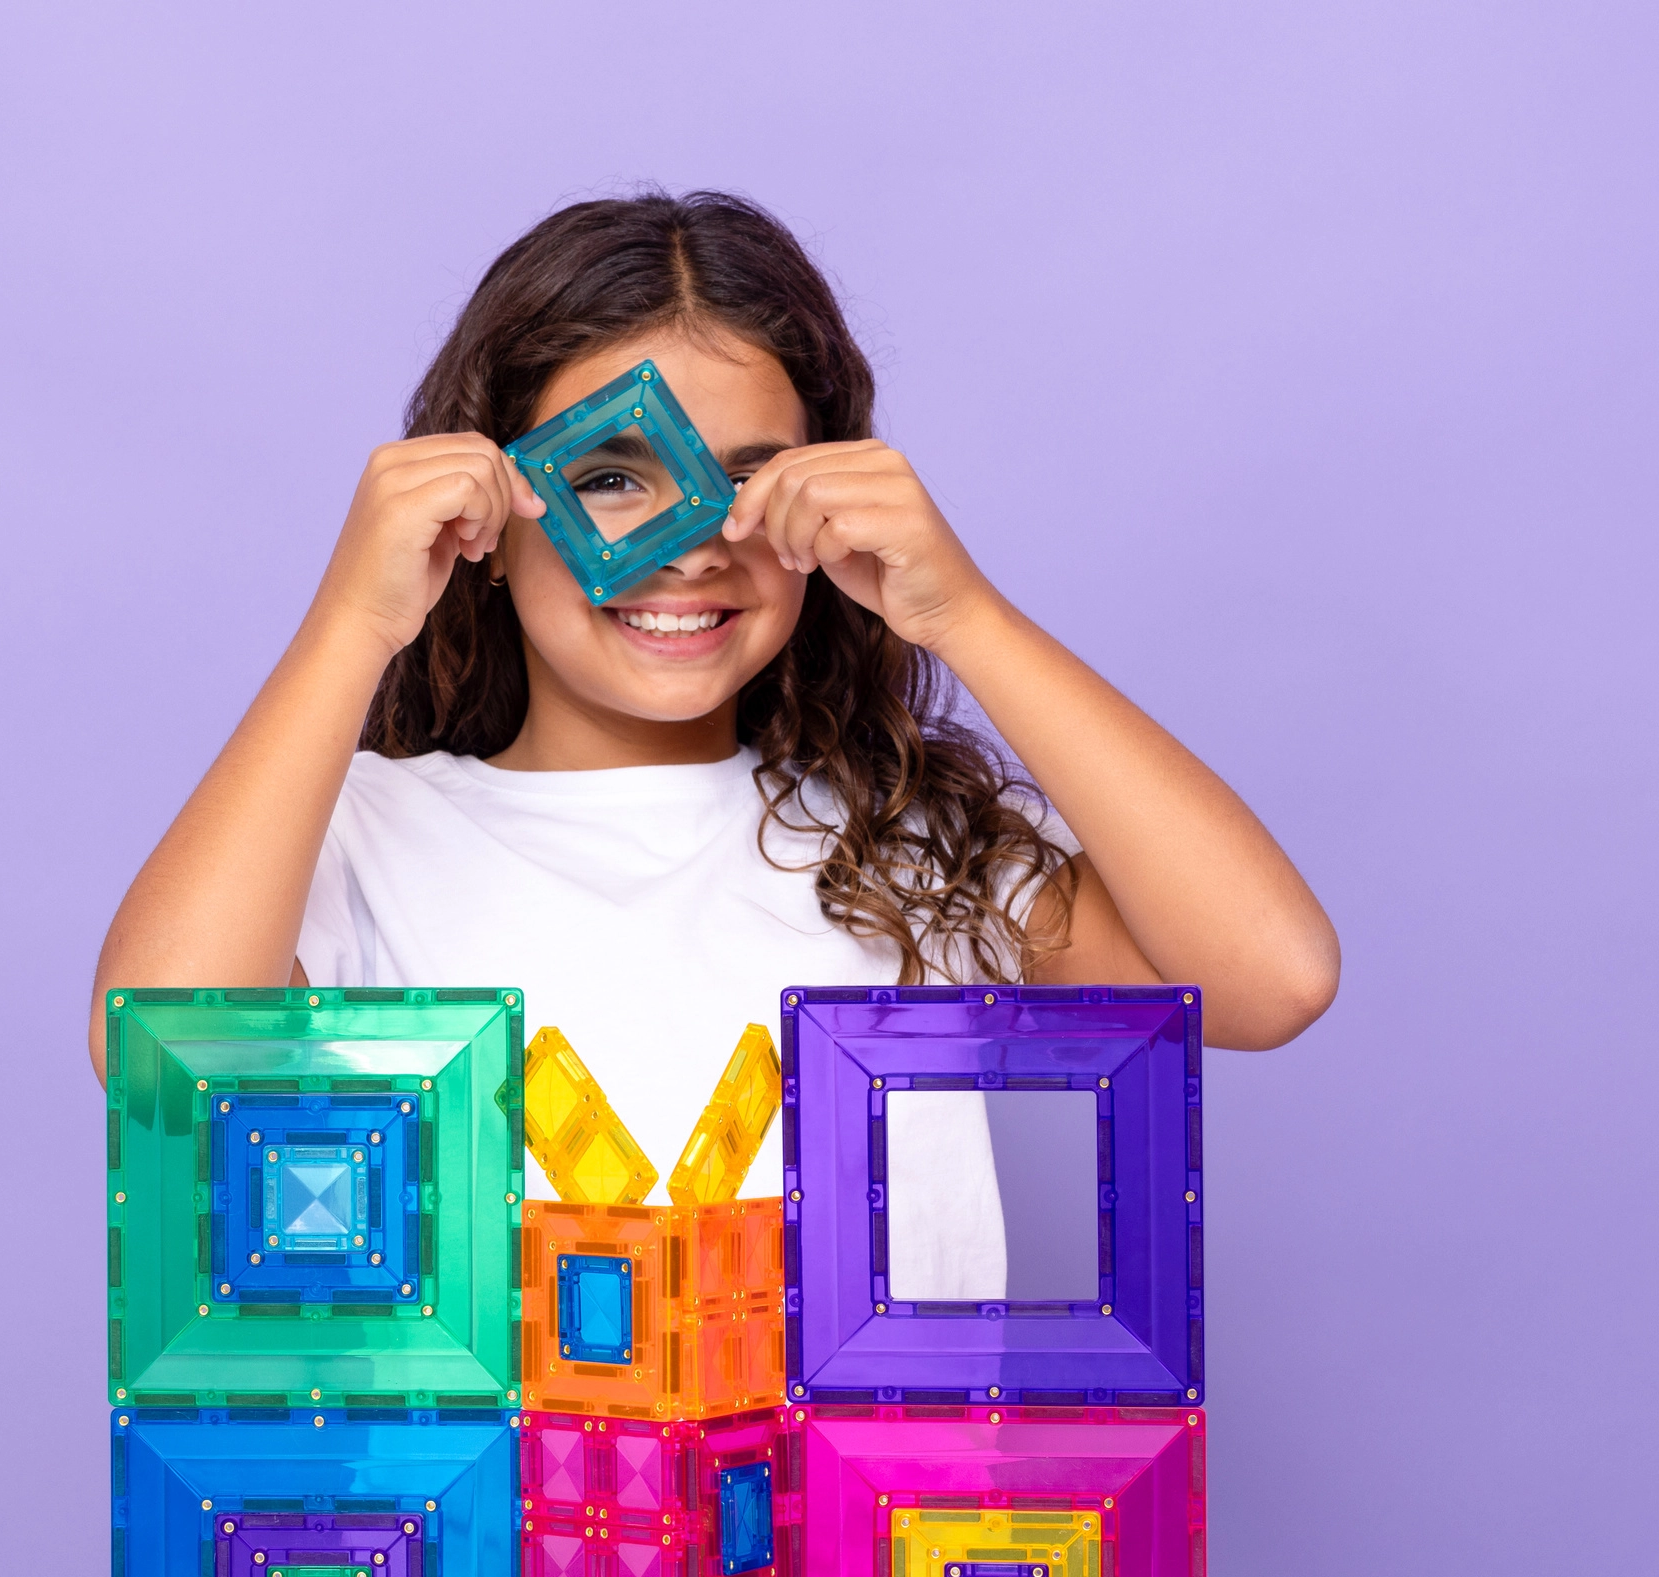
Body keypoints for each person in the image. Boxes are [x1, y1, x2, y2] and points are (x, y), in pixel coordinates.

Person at [89, 190, 1338, 1268]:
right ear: (491, 518)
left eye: (745, 480)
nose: (689, 547)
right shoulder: (356, 838)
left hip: (883, 1487)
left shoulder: (905, 842)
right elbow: (153, 1064)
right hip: (512, 1488)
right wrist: (353, 621)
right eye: (610, 477)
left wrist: (963, 613)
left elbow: (1273, 978)